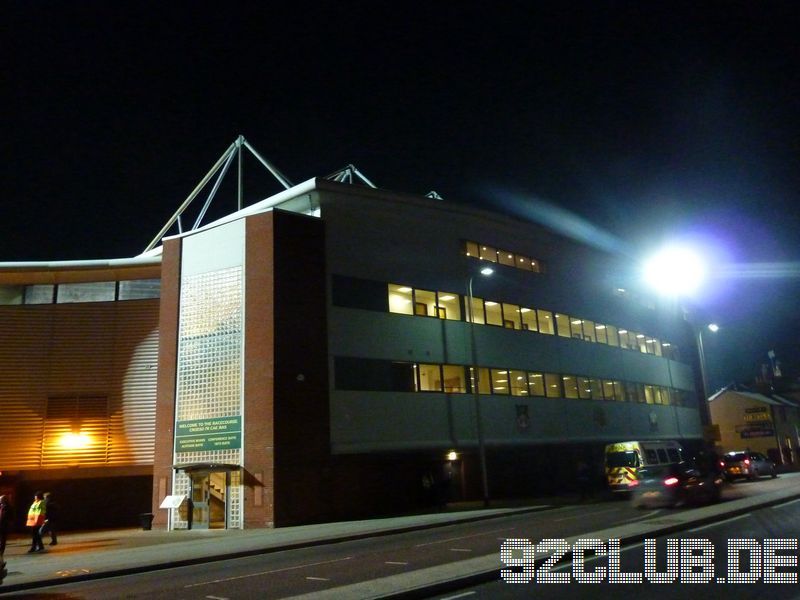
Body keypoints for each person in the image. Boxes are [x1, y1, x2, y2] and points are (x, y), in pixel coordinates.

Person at [0, 495, 13, 567]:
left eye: (1, 499)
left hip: (4, 527)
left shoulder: (8, 507)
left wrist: (8, 524)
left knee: (2, 541)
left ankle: (1, 558)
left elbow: (11, 517)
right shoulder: (1, 506)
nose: (0, 501)